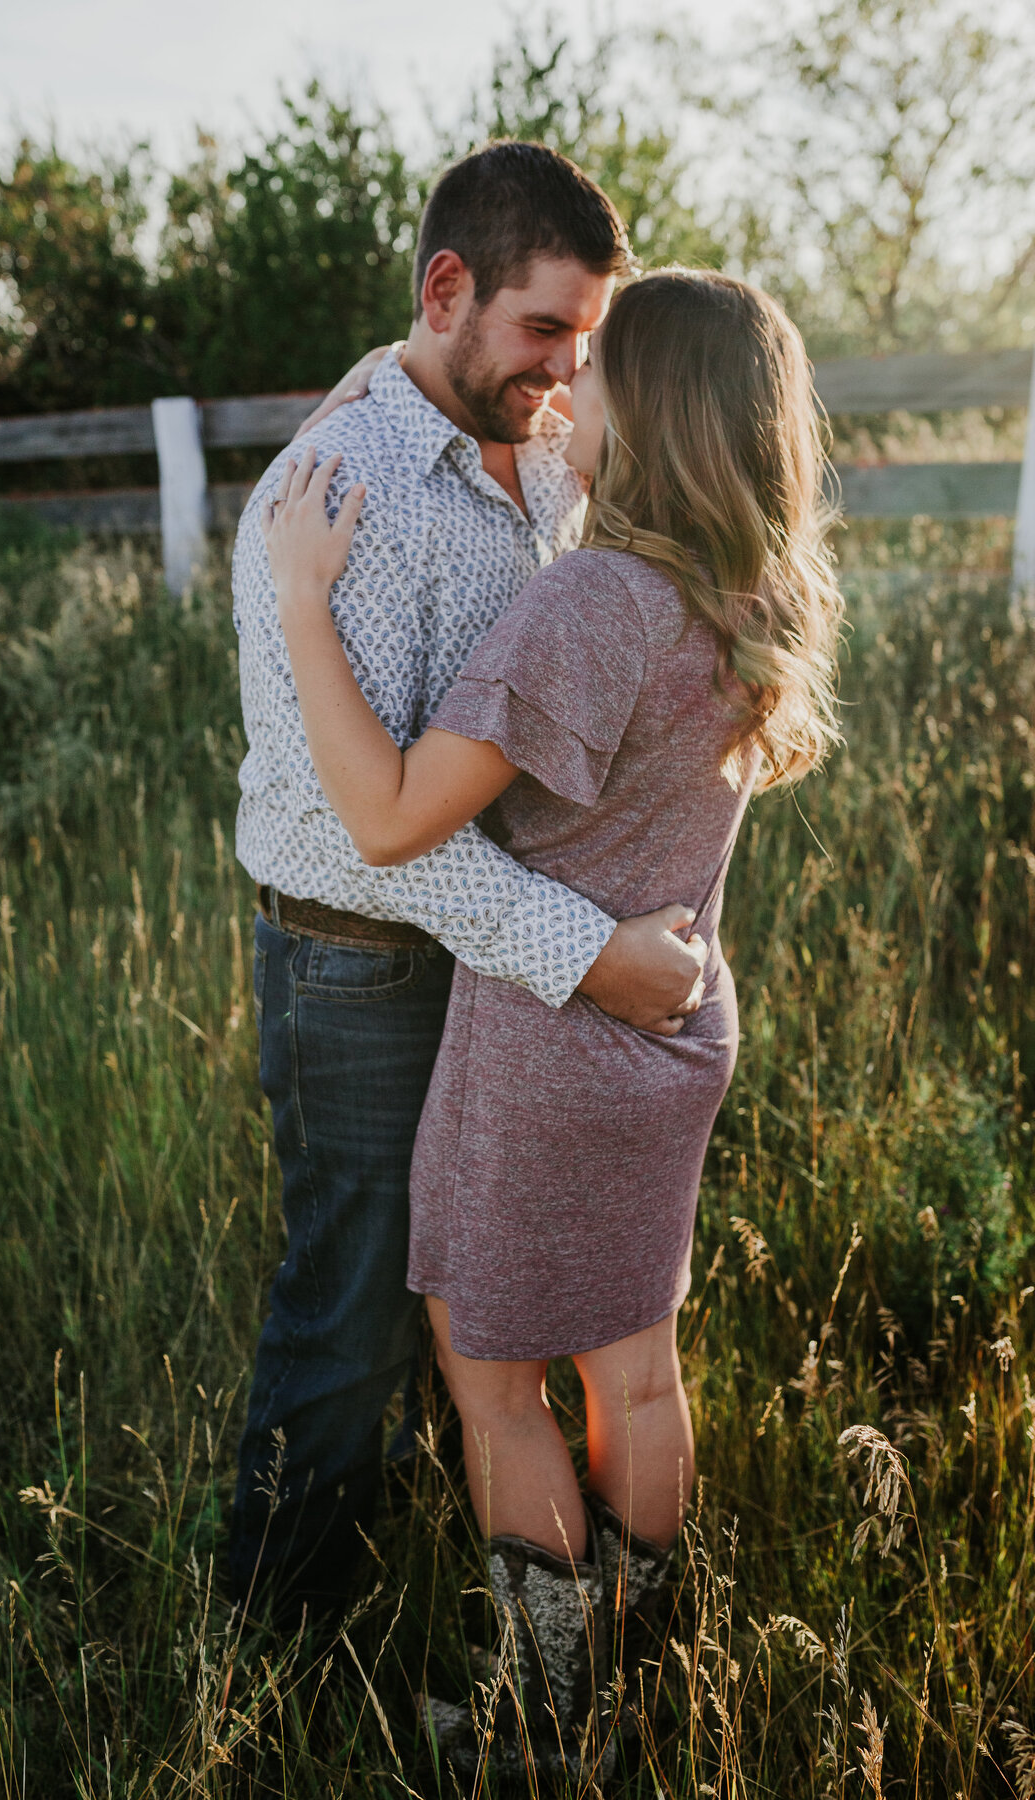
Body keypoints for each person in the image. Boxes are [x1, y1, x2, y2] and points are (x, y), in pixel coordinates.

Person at [262, 268, 843, 1778]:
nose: (564, 392)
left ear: (651, 417)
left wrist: (306, 597)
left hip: (545, 1041)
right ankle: (659, 1663)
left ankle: (550, 1712)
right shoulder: (747, 590)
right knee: (638, 1371)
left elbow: (389, 817)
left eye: (600, 373)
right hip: (675, 1031)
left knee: (498, 1386)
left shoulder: (591, 603)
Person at [228, 142, 711, 1631]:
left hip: (500, 964)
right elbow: (388, 828)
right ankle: (272, 1641)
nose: (569, 369)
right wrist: (593, 956)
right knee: (357, 1313)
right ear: (448, 288)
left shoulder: (551, 448)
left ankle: (523, 1612)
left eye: (588, 339)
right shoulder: (338, 494)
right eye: (545, 329)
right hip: (362, 960)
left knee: (486, 1306)